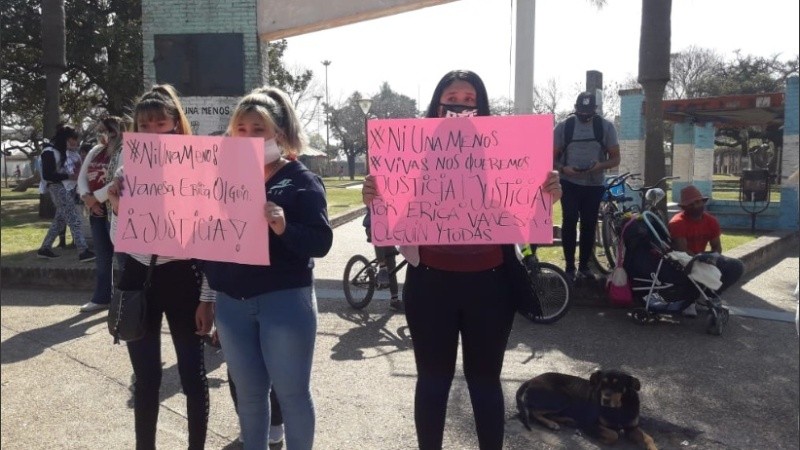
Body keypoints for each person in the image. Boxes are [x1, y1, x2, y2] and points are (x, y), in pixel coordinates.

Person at [361, 69, 562, 450]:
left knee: (485, 382)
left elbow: (522, 215)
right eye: (452, 97)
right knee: (432, 382)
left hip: (491, 286)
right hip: (430, 284)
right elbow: (381, 227)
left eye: (470, 100)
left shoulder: (506, 152)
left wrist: (547, 193)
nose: (460, 105)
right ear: (436, 104)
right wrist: (376, 198)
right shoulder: (406, 153)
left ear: (482, 107)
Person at [200, 86, 333, 449]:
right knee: (250, 396)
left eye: (258, 130)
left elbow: (321, 242)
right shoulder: (218, 181)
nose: (247, 137)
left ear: (279, 133)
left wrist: (285, 226)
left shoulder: (301, 180)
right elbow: (201, 238)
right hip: (231, 305)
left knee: (292, 396)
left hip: (285, 302)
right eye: (240, 129)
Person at [107, 85, 213, 450]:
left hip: (184, 277)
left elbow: (211, 238)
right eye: (144, 124)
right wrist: (119, 208)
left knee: (192, 374)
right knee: (146, 376)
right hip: (140, 277)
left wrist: (208, 297)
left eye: (160, 123)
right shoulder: (126, 165)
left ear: (176, 124)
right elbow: (119, 236)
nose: (153, 131)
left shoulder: (198, 165)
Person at [553, 92, 621, 281]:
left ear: (595, 110)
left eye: (588, 111)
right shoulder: (564, 127)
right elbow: (551, 157)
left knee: (589, 224)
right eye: (581, 111)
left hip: (594, 184)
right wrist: (564, 168)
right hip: (569, 183)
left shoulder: (605, 127)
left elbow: (616, 158)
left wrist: (600, 166)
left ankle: (584, 266)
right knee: (569, 220)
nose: (585, 115)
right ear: (575, 109)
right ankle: (568, 266)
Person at [668, 184, 745, 316]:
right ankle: (690, 300)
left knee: (736, 266)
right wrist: (702, 260)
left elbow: (716, 246)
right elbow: (683, 250)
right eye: (691, 204)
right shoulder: (677, 223)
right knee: (691, 270)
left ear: (703, 202)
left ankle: (712, 294)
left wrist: (713, 258)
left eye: (698, 202)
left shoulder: (711, 221)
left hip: (703, 258)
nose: (695, 206)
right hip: (684, 263)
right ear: (684, 207)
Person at [76, 116, 125, 313]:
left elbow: (117, 180)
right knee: (102, 256)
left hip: (115, 209)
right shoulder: (96, 150)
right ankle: (102, 296)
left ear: (114, 131)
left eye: (103, 130)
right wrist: (86, 197)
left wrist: (95, 198)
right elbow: (82, 176)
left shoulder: (125, 150)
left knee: (122, 258)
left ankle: (125, 299)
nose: (100, 135)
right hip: (96, 209)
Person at [36, 123, 95, 262]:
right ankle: (83, 251)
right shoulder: (49, 152)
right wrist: (69, 176)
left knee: (60, 221)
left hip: (66, 189)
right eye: (73, 139)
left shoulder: (64, 151)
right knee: (74, 219)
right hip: (57, 188)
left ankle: (45, 248)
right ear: (65, 138)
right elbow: (48, 175)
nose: (76, 142)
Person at [362, 209, 403, 311]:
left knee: (392, 266)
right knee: (379, 231)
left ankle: (394, 300)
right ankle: (382, 267)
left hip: (389, 230)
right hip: (373, 226)